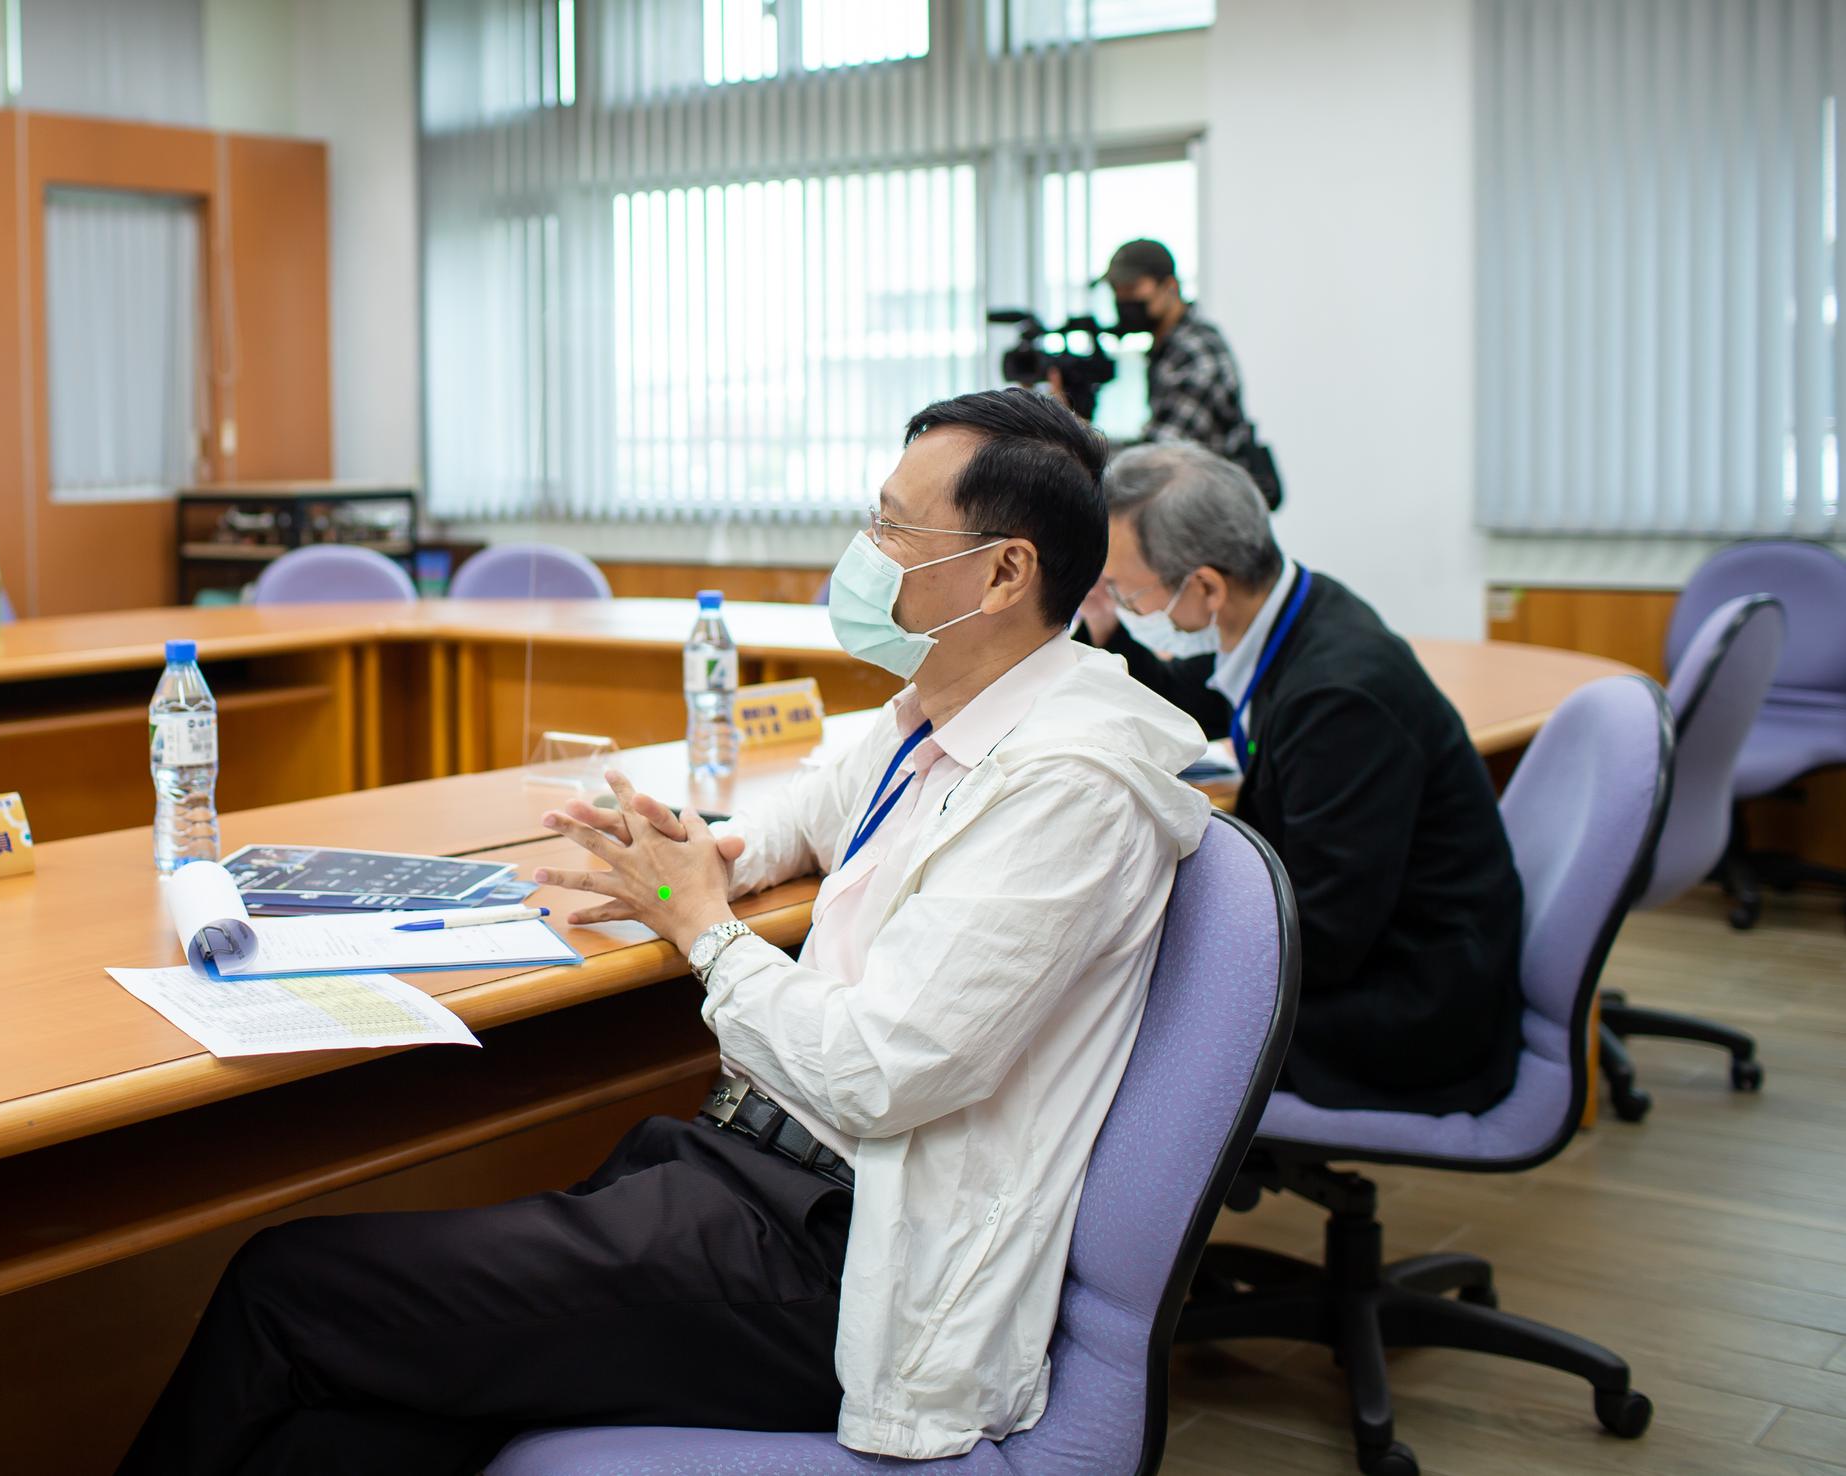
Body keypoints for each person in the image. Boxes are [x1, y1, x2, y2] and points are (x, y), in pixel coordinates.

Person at [117, 390, 1211, 1474]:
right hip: (751, 1168)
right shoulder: (953, 705)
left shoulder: (1069, 784)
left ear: (1005, 573)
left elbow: (885, 1071)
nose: (863, 554)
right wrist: (709, 853)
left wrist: (705, 930)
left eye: (892, 528)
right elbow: (819, 808)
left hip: (846, 1252)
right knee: (365, 1415)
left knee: (285, 1291)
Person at [1078, 442, 1522, 1114]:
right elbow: (1194, 701)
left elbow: (1327, 938)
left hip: (1414, 1005)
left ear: (1206, 587)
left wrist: (1151, 942)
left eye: (1127, 589)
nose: (1120, 599)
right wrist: (1110, 629)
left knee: (1112, 1029)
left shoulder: (1340, 699)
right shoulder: (1295, 612)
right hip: (1377, 949)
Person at [1098, 238, 1281, 508]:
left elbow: (1157, 458)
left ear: (1170, 287)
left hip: (1212, 515)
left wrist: (1077, 439)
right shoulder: (1168, 348)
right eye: (1116, 290)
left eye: (1132, 289)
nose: (1123, 300)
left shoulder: (1196, 354)